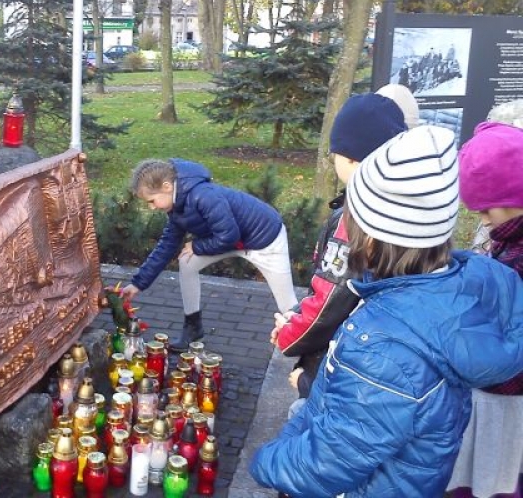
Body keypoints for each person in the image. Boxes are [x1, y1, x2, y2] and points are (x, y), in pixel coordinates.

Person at [250, 125, 523, 498]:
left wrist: (265, 461)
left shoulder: (384, 347)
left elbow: (326, 464)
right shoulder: (469, 284)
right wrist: (300, 425)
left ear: (372, 238)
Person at [272, 93, 408, 418]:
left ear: (351, 158)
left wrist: (290, 335)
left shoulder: (356, 218)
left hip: (343, 357)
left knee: (304, 417)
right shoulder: (403, 206)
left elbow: (331, 298)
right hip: (383, 356)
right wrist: (296, 313)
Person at [119, 158, 297, 352]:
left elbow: (229, 236)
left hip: (265, 239)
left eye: (152, 201)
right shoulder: (176, 206)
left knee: (288, 305)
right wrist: (137, 284)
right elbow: (166, 245)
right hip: (230, 238)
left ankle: (301, 343)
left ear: (167, 186)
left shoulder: (203, 195)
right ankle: (193, 328)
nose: (152, 207)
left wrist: (197, 246)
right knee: (187, 262)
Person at [447, 121, 523, 498]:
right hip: (500, 390)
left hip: (505, 396)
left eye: (485, 210)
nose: (483, 220)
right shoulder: (509, 241)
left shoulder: (516, 259)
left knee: (494, 479)